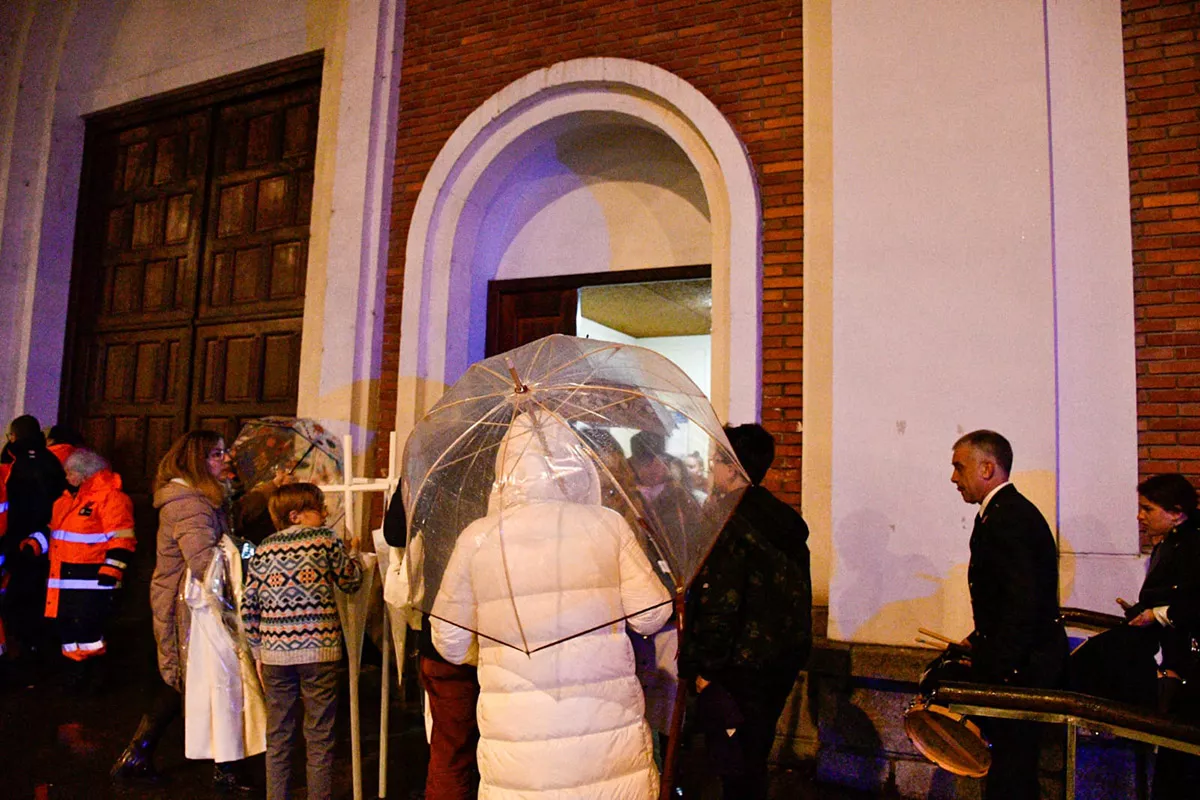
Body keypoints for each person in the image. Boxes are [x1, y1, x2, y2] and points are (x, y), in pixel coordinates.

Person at [430, 411, 672, 799]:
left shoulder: (478, 538)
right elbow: (651, 615)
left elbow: (450, 643)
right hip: (603, 734)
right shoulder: (607, 525)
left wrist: (492, 646)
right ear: (575, 463)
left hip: (517, 745)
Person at [110, 430, 265, 790]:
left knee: (186, 682)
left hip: (200, 604)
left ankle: (138, 755)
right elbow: (205, 561)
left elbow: (229, 529)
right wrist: (247, 557)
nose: (225, 459)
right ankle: (226, 770)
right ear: (197, 461)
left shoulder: (205, 498)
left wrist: (266, 492)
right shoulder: (190, 503)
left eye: (224, 452)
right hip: (196, 609)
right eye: (215, 454)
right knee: (223, 682)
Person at [678, 423, 812, 800]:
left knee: (734, 764)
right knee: (754, 755)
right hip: (778, 659)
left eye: (717, 461)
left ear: (734, 469)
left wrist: (705, 667)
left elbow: (722, 600)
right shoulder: (781, 519)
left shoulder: (728, 521)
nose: (711, 469)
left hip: (737, 665)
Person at [949, 429, 1067, 800]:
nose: (953, 478)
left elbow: (1023, 604)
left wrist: (995, 665)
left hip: (1022, 669)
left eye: (959, 467)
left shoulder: (1010, 518)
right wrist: (977, 639)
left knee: (1013, 772)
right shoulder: (999, 514)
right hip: (1016, 662)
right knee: (1008, 768)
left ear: (987, 468)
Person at [242, 483, 362, 800]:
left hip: (274, 656)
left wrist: (257, 650)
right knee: (320, 736)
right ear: (295, 514)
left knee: (278, 736)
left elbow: (248, 605)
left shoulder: (262, 549)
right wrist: (353, 554)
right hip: (320, 652)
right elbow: (351, 581)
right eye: (318, 507)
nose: (325, 512)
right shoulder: (325, 540)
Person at [383, 485, 482, 800]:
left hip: (442, 632)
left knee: (451, 751)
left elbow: (395, 533)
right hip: (503, 638)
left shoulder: (434, 468)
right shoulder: (517, 472)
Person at [18, 448, 134, 689]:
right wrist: (33, 545)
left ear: (84, 474)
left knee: (89, 631)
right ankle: (75, 676)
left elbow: (122, 538)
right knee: (68, 630)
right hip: (62, 580)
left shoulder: (111, 499)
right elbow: (54, 532)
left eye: (70, 472)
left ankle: (93, 677)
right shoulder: (65, 501)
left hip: (92, 581)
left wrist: (112, 570)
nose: (66, 476)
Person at [1, 414, 67, 674]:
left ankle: (23, 656)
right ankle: (34, 653)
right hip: (44, 541)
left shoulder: (13, 463)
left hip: (17, 542)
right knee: (37, 598)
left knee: (17, 601)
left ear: (13, 436)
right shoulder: (50, 461)